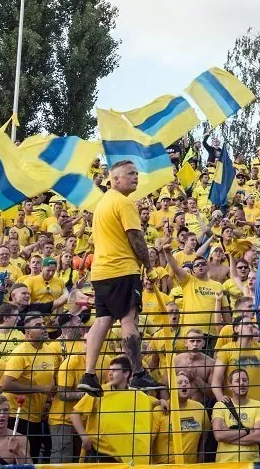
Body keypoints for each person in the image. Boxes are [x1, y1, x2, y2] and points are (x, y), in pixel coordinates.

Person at [79, 160, 162, 396]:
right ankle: (138, 374)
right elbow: (136, 237)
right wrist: (149, 266)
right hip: (122, 269)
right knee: (129, 319)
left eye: (136, 173)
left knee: (103, 319)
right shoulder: (124, 202)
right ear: (115, 179)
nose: (136, 177)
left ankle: (89, 374)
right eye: (130, 174)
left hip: (101, 271)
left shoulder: (103, 203)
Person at [71, 356, 164, 464]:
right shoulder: (99, 391)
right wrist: (84, 436)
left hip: (124, 458)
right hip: (101, 453)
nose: (110, 373)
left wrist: (162, 401)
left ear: (126, 374)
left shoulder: (137, 394)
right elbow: (75, 414)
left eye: (114, 370)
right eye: (110, 370)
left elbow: (153, 402)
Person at [0, 312, 61, 462]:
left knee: (33, 456)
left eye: (44, 325)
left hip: (38, 416)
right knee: (18, 458)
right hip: (18, 415)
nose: (44, 328)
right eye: (38, 326)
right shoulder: (20, 353)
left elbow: (50, 379)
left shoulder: (50, 350)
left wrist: (47, 401)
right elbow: (5, 385)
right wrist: (41, 389)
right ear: (28, 334)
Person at [211, 368, 260, 462]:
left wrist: (228, 437)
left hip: (251, 464)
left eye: (245, 380)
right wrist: (247, 431)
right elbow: (219, 435)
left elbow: (259, 437)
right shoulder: (220, 405)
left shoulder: (259, 406)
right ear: (230, 386)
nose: (242, 383)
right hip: (225, 464)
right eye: (237, 381)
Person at [152, 373, 209, 464]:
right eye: (179, 382)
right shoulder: (160, 410)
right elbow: (149, 442)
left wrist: (200, 458)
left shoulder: (200, 408)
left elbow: (205, 436)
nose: (184, 384)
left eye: (187, 382)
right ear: (171, 389)